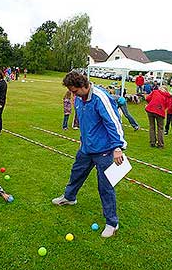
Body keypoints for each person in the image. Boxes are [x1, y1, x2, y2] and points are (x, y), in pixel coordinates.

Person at [52, 71, 127, 238]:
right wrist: (84, 140)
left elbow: (114, 122)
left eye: (74, 91)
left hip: (105, 151)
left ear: (83, 86)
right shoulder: (79, 99)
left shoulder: (101, 98)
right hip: (86, 149)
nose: (73, 94)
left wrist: (117, 147)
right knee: (76, 173)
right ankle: (69, 197)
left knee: (105, 187)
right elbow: (86, 123)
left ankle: (112, 223)